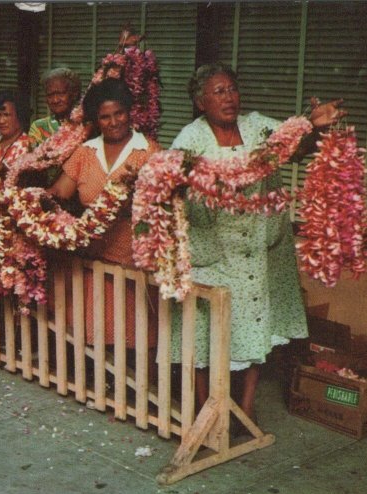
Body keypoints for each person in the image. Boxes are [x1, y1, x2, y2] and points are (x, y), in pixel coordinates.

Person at [169, 63, 345, 429]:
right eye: (218, 92)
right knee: (203, 335)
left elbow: (294, 150)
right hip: (213, 250)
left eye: (232, 89)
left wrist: (314, 128)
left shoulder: (258, 126)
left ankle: (246, 408)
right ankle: (206, 412)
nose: (229, 97)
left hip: (256, 248)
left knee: (253, 325)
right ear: (201, 102)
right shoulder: (190, 138)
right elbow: (175, 184)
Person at [50, 78, 161, 351]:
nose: (113, 122)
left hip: (131, 259)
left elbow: (162, 202)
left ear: (129, 112)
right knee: (92, 337)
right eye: (105, 117)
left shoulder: (148, 151)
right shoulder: (85, 152)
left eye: (119, 114)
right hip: (91, 253)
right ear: (96, 120)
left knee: (132, 338)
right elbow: (60, 192)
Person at [28, 67, 81, 146]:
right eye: (50, 95)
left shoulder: (84, 124)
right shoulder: (39, 126)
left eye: (61, 93)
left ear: (74, 94)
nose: (55, 100)